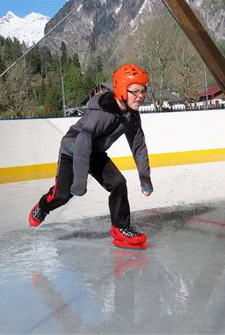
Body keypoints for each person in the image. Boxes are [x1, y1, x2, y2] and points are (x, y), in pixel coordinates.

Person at [28, 63, 153, 249]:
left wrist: (145, 178)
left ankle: (121, 228)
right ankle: (42, 206)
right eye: (135, 92)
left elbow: (138, 145)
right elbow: (81, 143)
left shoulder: (131, 116)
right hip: (72, 151)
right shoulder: (102, 115)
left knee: (118, 183)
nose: (140, 96)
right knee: (63, 195)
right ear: (120, 90)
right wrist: (79, 183)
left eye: (143, 91)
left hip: (94, 152)